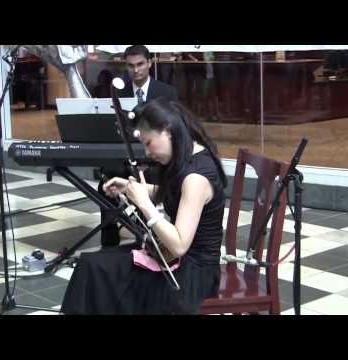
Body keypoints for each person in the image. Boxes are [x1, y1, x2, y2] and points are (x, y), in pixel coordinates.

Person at [61, 97, 227, 314]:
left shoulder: (196, 178)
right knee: (92, 263)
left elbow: (179, 244)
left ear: (167, 130)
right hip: (176, 261)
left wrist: (145, 204)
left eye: (148, 143)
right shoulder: (190, 157)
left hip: (192, 276)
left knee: (95, 270)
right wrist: (133, 188)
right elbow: (176, 196)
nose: (147, 153)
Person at [98, 45, 178, 247]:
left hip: (155, 159)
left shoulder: (166, 92)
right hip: (125, 156)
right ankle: (109, 242)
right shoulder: (117, 90)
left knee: (149, 181)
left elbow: (175, 130)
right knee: (106, 182)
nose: (136, 70)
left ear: (150, 63)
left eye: (140, 64)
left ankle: (146, 239)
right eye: (131, 65)